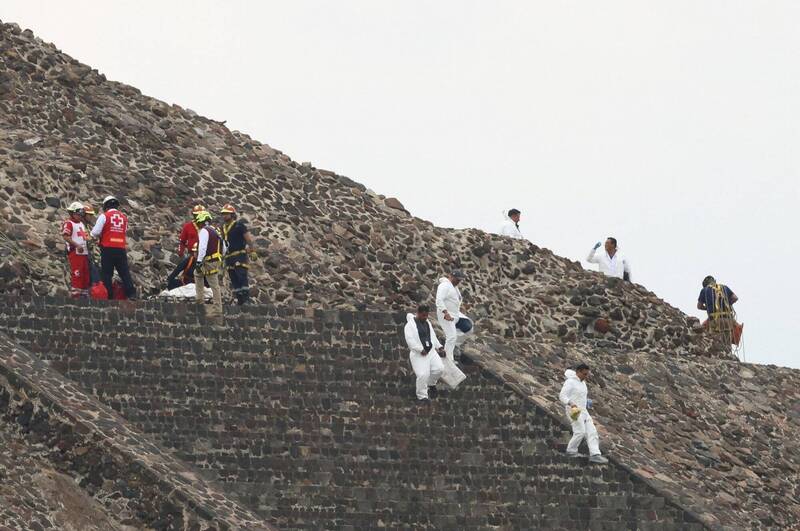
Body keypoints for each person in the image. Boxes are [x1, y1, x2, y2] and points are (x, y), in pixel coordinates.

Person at [559, 364, 608, 464]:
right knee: (580, 431)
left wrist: (587, 401)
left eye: (587, 374)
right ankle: (571, 451)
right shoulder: (570, 382)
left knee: (592, 431)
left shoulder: (583, 383)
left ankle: (595, 454)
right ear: (578, 372)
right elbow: (562, 396)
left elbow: (580, 396)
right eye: (584, 374)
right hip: (573, 410)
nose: (586, 376)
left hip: (583, 410)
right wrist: (570, 403)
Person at [90, 195, 136, 299]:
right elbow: (123, 231)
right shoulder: (124, 218)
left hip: (108, 248)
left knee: (107, 273)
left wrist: (94, 236)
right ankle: (131, 293)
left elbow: (95, 232)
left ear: (105, 206)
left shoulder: (104, 216)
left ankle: (109, 295)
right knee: (124, 272)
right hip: (121, 248)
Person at [404, 305, 445, 402]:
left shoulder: (427, 323)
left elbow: (433, 336)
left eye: (426, 315)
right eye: (423, 315)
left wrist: (439, 347)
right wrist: (420, 350)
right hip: (419, 354)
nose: (425, 317)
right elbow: (410, 341)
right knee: (423, 375)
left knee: (439, 369)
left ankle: (431, 384)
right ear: (418, 313)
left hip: (431, 352)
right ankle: (422, 396)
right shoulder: (409, 326)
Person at [220, 203, 257, 305]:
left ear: (232, 214)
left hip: (239, 255)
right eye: (223, 214)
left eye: (226, 213)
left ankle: (246, 299)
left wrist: (252, 250)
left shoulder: (239, 226)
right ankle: (240, 300)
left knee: (241, 275)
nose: (224, 216)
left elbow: (248, 239)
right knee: (233, 278)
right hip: (229, 256)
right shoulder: (223, 228)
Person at [194, 211, 226, 325]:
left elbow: (202, 247)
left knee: (212, 283)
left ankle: (215, 309)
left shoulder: (204, 231)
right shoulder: (215, 231)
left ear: (202, 222)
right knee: (199, 275)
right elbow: (224, 247)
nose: (198, 225)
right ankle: (201, 301)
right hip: (216, 260)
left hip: (207, 261)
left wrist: (199, 261)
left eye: (198, 223)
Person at [436, 269, 474, 363]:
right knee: (452, 337)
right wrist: (446, 313)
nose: (458, 281)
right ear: (451, 276)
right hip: (445, 314)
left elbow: (455, 300)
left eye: (460, 280)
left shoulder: (454, 287)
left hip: (455, 314)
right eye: (457, 279)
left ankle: (451, 344)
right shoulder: (444, 286)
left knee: (468, 326)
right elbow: (439, 300)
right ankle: (447, 359)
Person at [698, 276, 742, 345]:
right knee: (727, 343)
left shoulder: (704, 290)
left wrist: (708, 307)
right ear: (714, 281)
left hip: (715, 321)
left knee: (715, 343)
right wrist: (728, 304)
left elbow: (699, 306)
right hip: (728, 320)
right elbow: (735, 298)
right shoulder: (724, 287)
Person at [61, 201, 90, 298]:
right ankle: (76, 296)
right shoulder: (68, 223)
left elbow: (84, 236)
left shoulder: (81, 224)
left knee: (85, 275)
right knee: (77, 273)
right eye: (78, 214)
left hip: (84, 253)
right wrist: (77, 245)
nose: (80, 216)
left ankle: (84, 295)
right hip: (75, 252)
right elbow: (65, 236)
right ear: (72, 213)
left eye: (81, 214)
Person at [81, 203, 101, 285]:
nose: (92, 217)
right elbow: (86, 241)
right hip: (86, 256)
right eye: (90, 215)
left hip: (93, 256)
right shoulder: (81, 226)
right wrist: (93, 240)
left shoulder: (88, 226)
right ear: (83, 214)